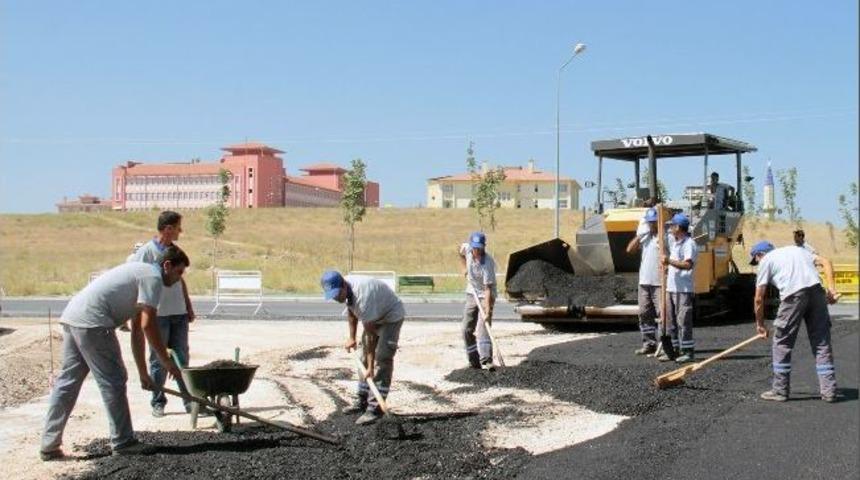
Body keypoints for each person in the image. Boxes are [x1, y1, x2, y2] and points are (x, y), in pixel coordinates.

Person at [40, 246, 188, 461]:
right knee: (113, 380)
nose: (178, 279)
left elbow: (137, 329)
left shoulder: (141, 272)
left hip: (74, 317)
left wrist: (143, 373)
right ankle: (123, 441)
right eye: (179, 272)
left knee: (68, 382)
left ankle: (49, 445)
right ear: (167, 265)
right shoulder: (153, 278)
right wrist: (166, 362)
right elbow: (149, 325)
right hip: (94, 322)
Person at [750, 241, 840, 403]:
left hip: (793, 296)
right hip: (816, 292)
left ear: (759, 255)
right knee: (821, 342)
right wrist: (831, 290)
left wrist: (760, 325)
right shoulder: (798, 250)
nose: (757, 264)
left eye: (755, 261)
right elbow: (826, 262)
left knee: (782, 343)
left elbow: (758, 298)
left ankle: (780, 390)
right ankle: (829, 391)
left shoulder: (766, 260)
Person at [128, 211, 196, 417]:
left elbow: (181, 280)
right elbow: (134, 281)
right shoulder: (146, 253)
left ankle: (190, 402)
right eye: (177, 227)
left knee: (182, 358)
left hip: (178, 313)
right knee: (159, 359)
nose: (180, 231)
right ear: (168, 228)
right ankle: (158, 401)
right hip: (157, 316)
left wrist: (188, 305)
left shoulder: (175, 252)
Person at [321, 270, 405, 425]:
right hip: (373, 315)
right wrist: (352, 337)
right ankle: (362, 400)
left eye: (337, 294)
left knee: (382, 358)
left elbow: (371, 336)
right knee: (362, 358)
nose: (335, 298)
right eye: (332, 295)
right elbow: (352, 312)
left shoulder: (363, 296)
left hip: (390, 317)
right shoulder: (346, 289)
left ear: (344, 286)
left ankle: (375, 408)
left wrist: (371, 366)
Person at [660, 213, 698, 363]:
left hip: (683, 289)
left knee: (683, 320)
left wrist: (669, 261)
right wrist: (669, 267)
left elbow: (688, 264)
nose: (670, 227)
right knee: (671, 321)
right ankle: (674, 349)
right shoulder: (676, 243)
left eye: (672, 225)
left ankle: (688, 351)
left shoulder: (689, 244)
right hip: (672, 287)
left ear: (678, 227)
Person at [458, 232, 497, 369]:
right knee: (466, 329)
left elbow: (487, 289)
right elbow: (460, 252)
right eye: (475, 248)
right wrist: (464, 268)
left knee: (483, 329)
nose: (477, 250)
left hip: (486, 295)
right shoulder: (467, 249)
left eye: (479, 248)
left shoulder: (488, 263)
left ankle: (486, 360)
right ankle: (473, 360)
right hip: (471, 293)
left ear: (484, 247)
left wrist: (487, 310)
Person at [626, 207, 662, 355]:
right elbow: (630, 250)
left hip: (660, 282)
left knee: (662, 315)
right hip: (645, 281)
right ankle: (649, 343)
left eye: (653, 222)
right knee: (644, 313)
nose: (651, 225)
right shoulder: (645, 237)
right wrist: (640, 235)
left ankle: (664, 345)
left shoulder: (664, 237)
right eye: (649, 222)